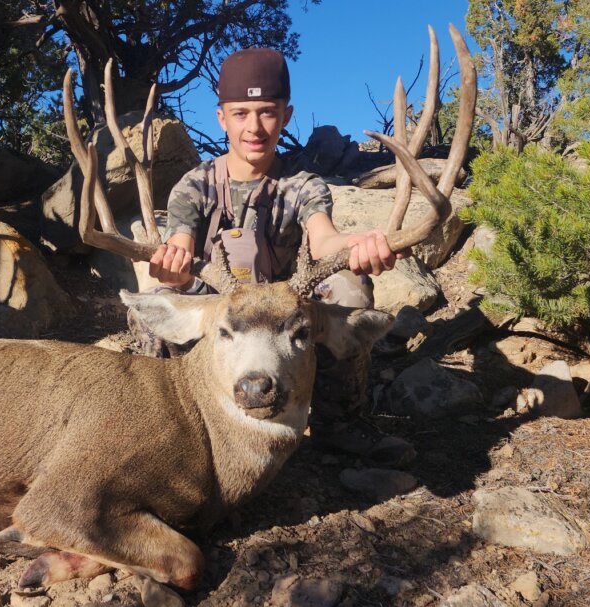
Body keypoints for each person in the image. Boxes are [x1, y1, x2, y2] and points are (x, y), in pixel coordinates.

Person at [128, 47, 402, 428]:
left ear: (286, 116)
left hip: (286, 317)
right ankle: (174, 423)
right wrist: (174, 268)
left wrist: (356, 246)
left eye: (268, 112)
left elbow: (324, 240)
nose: (254, 128)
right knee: (150, 308)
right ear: (222, 118)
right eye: (240, 114)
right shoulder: (195, 186)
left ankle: (336, 423)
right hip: (225, 313)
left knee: (350, 289)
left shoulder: (302, 183)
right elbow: (181, 246)